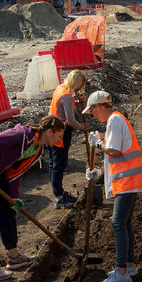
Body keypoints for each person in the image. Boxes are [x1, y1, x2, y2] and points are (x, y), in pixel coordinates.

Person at [0, 115, 67, 280]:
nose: (59, 140)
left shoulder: (38, 150)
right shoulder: (23, 135)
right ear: (49, 131)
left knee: (7, 211)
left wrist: (13, 197)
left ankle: (14, 257)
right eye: (59, 135)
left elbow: (16, 173)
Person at [85, 90, 142, 282]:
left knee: (118, 223)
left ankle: (122, 272)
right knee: (125, 223)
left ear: (99, 107)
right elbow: (114, 156)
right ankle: (129, 266)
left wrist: (98, 144)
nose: (93, 116)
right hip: (129, 180)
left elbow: (114, 151)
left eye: (92, 112)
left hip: (128, 181)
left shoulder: (114, 120)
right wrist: (98, 172)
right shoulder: (115, 121)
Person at [49, 69, 89, 209]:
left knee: (54, 163)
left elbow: (64, 107)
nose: (79, 89)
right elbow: (71, 120)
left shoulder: (60, 88)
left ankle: (57, 192)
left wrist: (77, 102)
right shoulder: (66, 96)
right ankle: (59, 197)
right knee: (59, 164)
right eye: (79, 86)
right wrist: (82, 127)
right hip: (60, 133)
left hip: (51, 129)